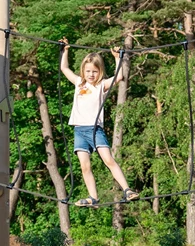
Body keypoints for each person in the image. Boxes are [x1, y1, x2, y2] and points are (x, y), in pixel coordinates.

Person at [59, 40, 138, 207]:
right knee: (84, 166)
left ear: (100, 72)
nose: (91, 75)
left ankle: (127, 190)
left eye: (94, 71)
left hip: (95, 130)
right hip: (79, 131)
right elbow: (64, 69)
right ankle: (93, 197)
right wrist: (65, 51)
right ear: (83, 71)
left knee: (108, 160)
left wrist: (117, 58)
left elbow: (119, 76)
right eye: (88, 71)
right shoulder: (79, 83)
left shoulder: (101, 85)